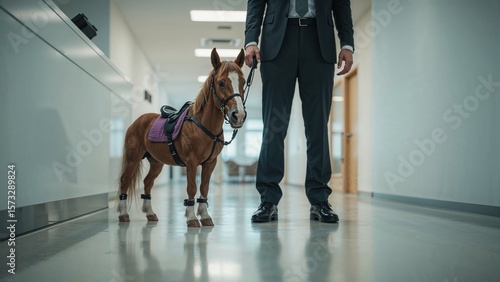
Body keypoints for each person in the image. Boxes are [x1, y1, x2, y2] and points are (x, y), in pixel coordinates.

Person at [244, 0, 354, 223]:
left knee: (318, 127)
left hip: (319, 41)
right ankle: (268, 200)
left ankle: (320, 200)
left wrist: (347, 44)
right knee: (274, 127)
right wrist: (251, 41)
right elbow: (256, 3)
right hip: (277, 43)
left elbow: (341, 5)